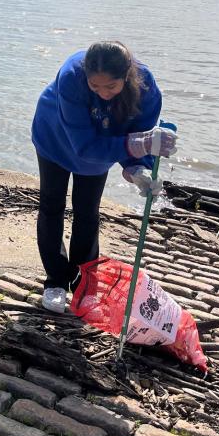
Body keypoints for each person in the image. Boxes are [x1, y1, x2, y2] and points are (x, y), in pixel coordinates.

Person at [32, 40, 177, 313]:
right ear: (85, 76)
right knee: (52, 206)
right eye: (95, 86)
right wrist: (138, 144)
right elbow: (85, 146)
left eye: (111, 86)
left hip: (101, 146)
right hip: (55, 138)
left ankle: (84, 285)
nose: (103, 93)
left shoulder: (146, 88)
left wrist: (138, 169)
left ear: (127, 76)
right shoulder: (71, 77)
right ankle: (55, 281)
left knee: (87, 212)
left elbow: (140, 134)